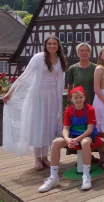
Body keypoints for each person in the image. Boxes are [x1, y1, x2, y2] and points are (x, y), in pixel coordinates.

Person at [3, 35, 67, 170]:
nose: (52, 46)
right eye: (49, 44)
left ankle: (45, 157)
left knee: (48, 127)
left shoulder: (60, 60)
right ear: (46, 45)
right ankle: (37, 158)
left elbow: (60, 81)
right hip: (37, 96)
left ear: (58, 46)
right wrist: (10, 93)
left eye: (54, 44)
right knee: (38, 126)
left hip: (53, 97)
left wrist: (59, 100)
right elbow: (24, 76)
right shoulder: (38, 58)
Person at [38, 87, 98, 192]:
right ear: (71, 99)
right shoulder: (68, 111)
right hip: (73, 135)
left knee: (84, 143)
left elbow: (90, 129)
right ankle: (54, 177)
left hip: (86, 135)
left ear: (84, 97)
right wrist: (67, 139)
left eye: (81, 97)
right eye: (75, 98)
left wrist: (77, 139)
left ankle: (86, 175)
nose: (78, 100)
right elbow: (65, 129)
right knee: (56, 142)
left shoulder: (90, 109)